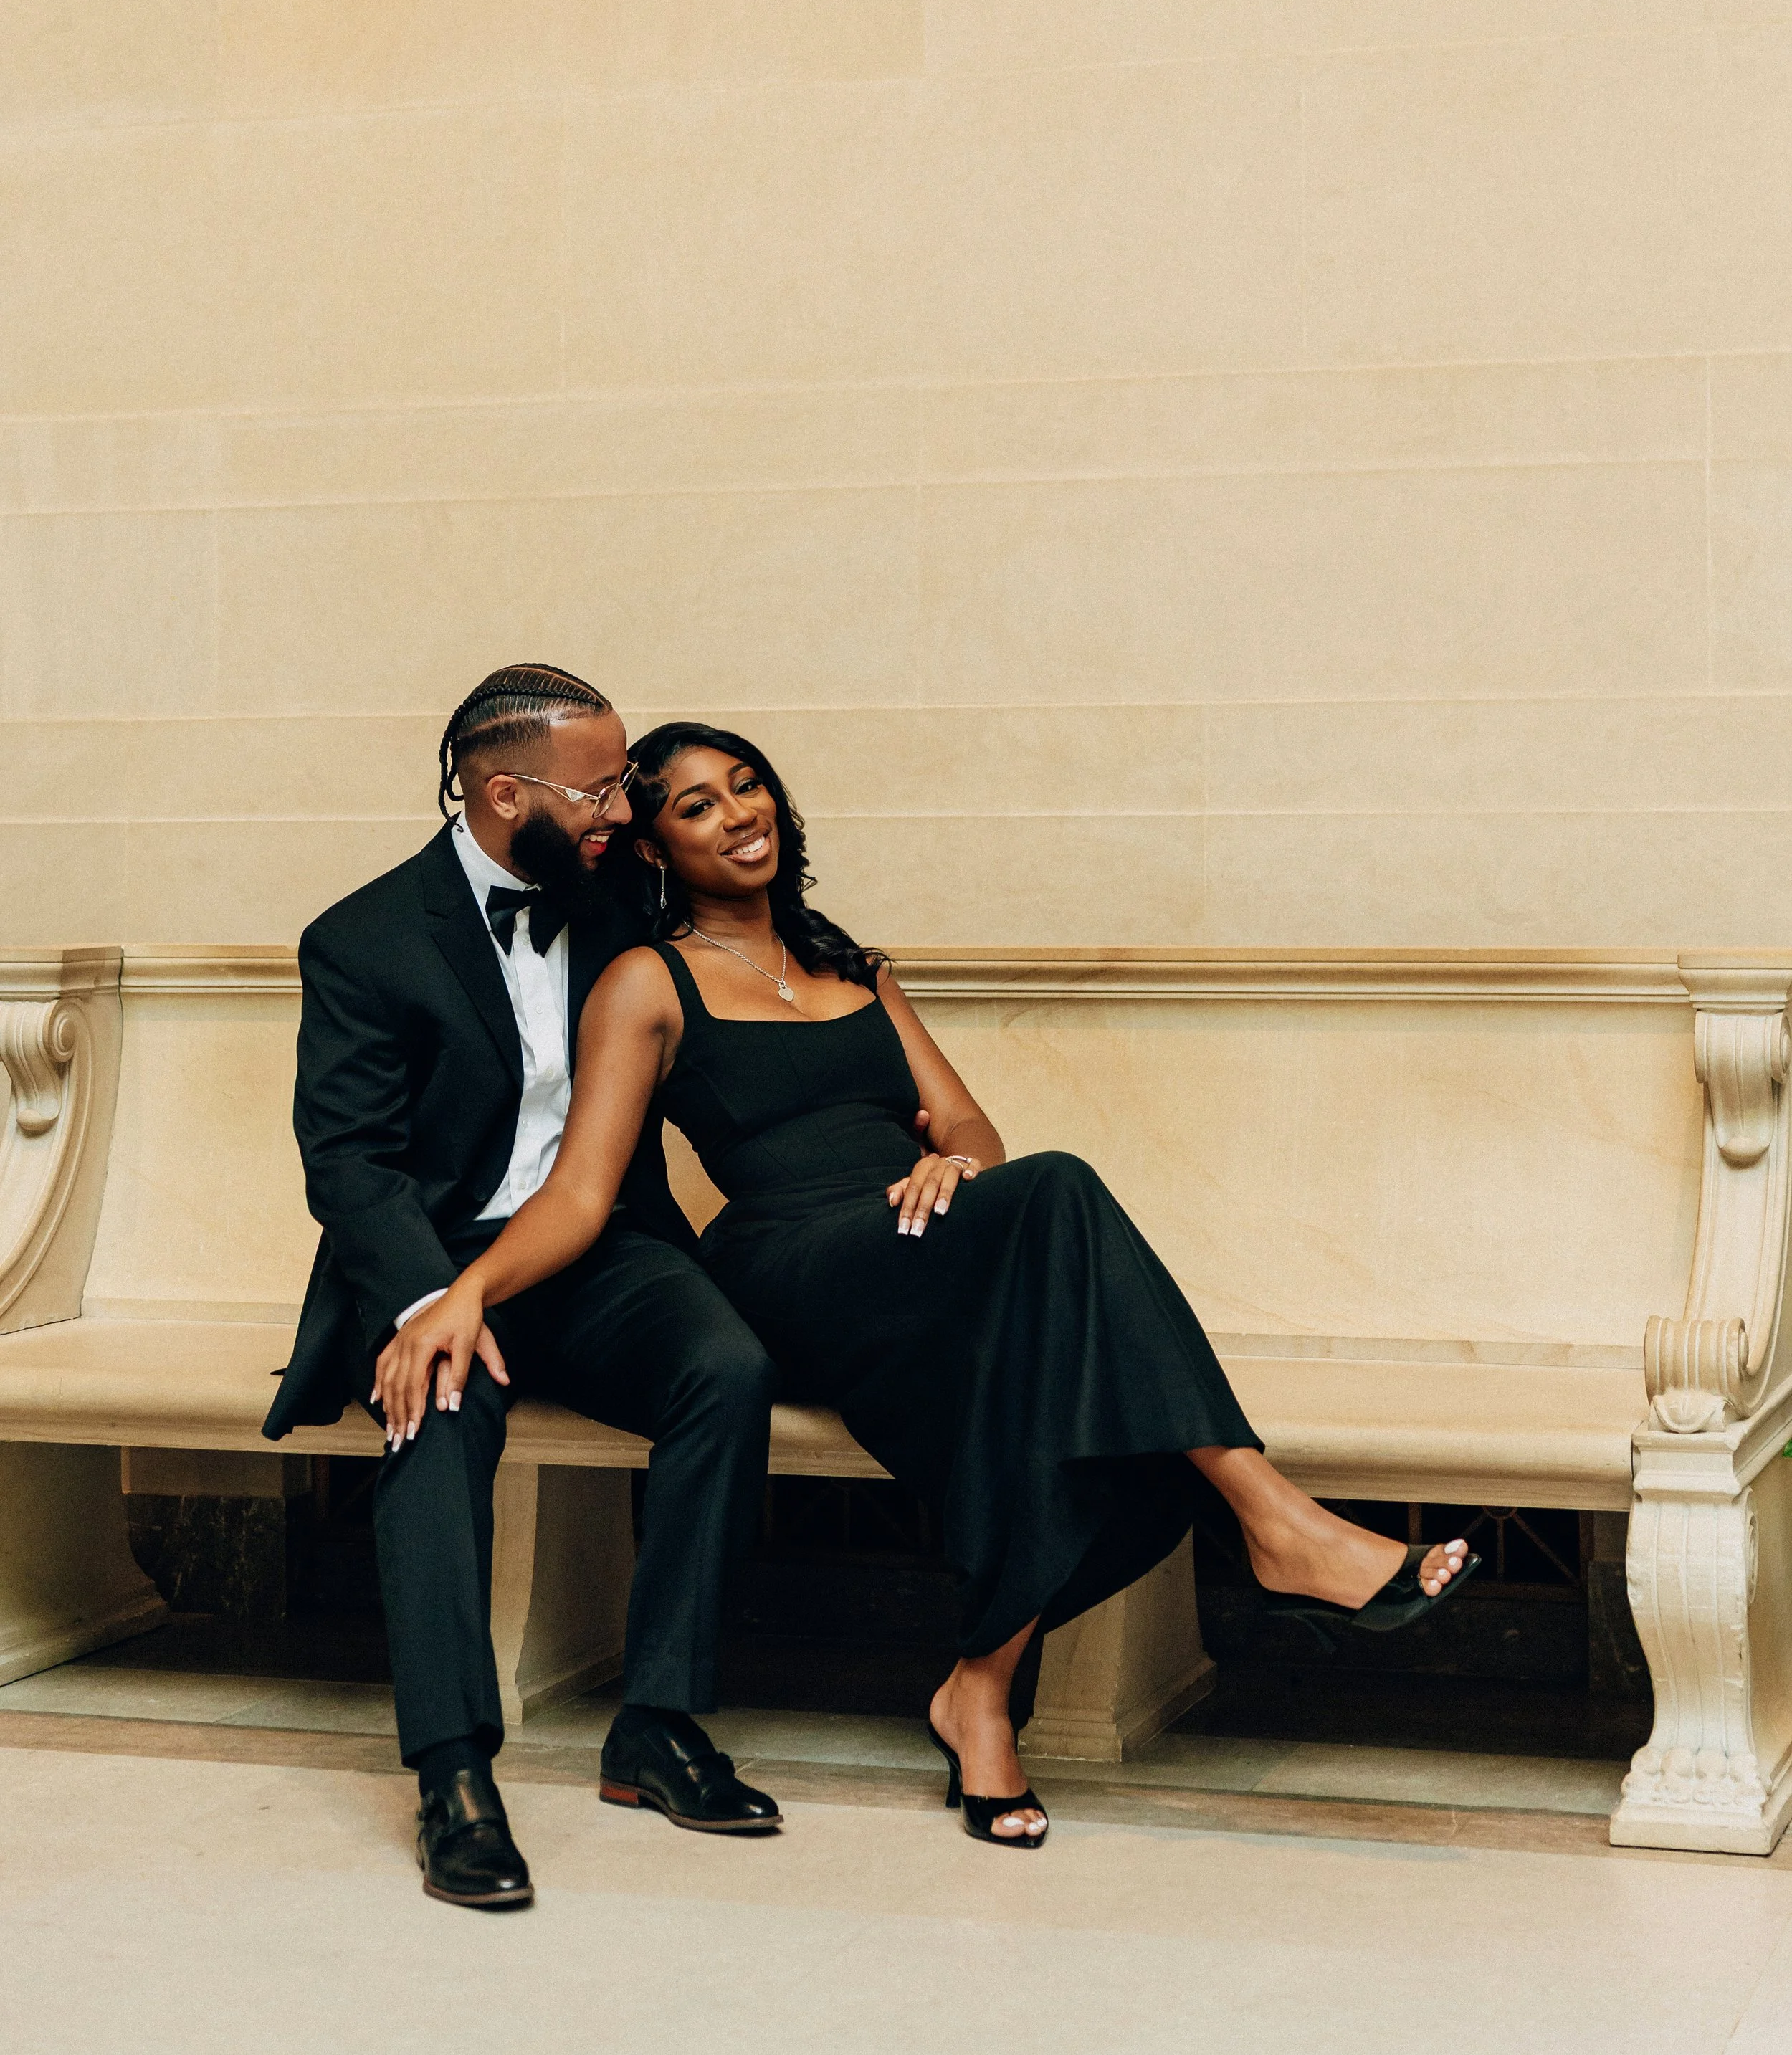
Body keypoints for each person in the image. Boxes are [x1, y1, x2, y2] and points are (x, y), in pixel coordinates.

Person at [374, 721, 1476, 1853]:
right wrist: (465, 1291)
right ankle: (1274, 1518)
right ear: (653, 848)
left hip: (913, 1242)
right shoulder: (646, 983)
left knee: (1056, 1372)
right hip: (790, 1260)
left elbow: (966, 1123)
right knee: (1062, 1193)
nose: (738, 812)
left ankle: (980, 1693)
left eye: (747, 785)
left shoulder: (854, 965)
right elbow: (582, 1192)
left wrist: (957, 1162)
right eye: (697, 806)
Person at [264, 669, 785, 1915]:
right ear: (507, 793)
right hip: (442, 1261)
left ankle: (657, 1722)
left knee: (729, 1366)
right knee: (431, 1415)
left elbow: (770, 983)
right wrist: (424, 1303)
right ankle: (454, 1777)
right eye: (602, 786)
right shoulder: (364, 937)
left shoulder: (624, 897)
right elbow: (350, 1163)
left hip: (604, 1250)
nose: (626, 804)